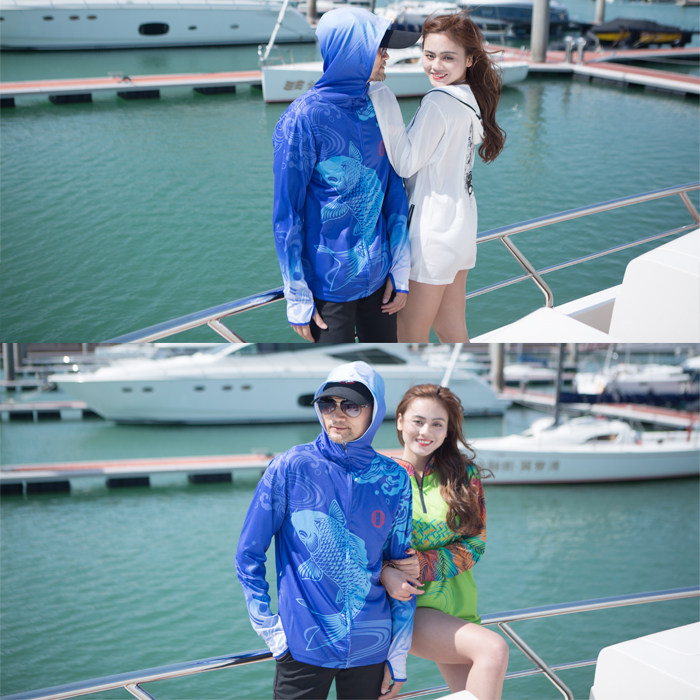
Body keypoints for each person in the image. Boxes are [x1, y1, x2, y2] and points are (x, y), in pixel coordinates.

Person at [235, 361, 416, 699]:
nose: (337, 414)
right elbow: (248, 554)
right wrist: (272, 631)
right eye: (327, 404)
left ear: (375, 410)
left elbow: (402, 566)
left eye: (351, 405)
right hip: (301, 647)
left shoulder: (394, 478)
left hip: (372, 646)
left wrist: (398, 653)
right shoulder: (290, 466)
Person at [272, 8, 419, 343]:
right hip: (328, 288)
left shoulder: (376, 105)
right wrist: (297, 294)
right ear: (354, 53)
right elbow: (287, 214)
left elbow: (393, 190)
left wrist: (400, 269)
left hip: (380, 283)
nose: (387, 56)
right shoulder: (301, 119)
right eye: (380, 49)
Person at [368, 12, 506, 342]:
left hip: (431, 237)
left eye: (447, 57)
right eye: (429, 55)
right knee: (451, 329)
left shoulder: (439, 101)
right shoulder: (470, 99)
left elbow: (405, 163)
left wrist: (381, 96)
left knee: (409, 335)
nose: (436, 65)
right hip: (460, 232)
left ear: (469, 59)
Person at [380, 384, 509, 699]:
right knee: (493, 649)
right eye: (418, 421)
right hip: (412, 606)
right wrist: (387, 571)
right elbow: (361, 549)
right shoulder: (379, 479)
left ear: (448, 430)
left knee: (474, 693)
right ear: (400, 421)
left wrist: (426, 564)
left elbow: (476, 544)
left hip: (461, 608)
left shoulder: (464, 475)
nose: (426, 431)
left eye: (437, 424)